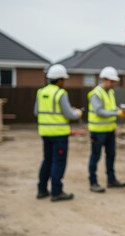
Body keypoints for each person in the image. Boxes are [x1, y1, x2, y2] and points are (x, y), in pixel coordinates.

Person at [34, 64, 82, 202]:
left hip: (45, 133)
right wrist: (77, 113)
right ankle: (56, 192)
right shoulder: (60, 93)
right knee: (58, 162)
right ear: (60, 80)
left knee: (47, 160)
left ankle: (42, 190)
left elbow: (36, 112)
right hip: (59, 135)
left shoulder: (41, 92)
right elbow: (69, 114)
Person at [87, 66, 125, 193]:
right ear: (104, 80)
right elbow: (99, 111)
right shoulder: (96, 93)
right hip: (98, 132)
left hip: (110, 130)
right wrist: (116, 113)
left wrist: (122, 110)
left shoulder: (110, 92)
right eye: (111, 81)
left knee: (111, 155)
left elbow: (111, 108)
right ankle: (93, 182)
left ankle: (111, 180)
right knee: (95, 157)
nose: (113, 84)